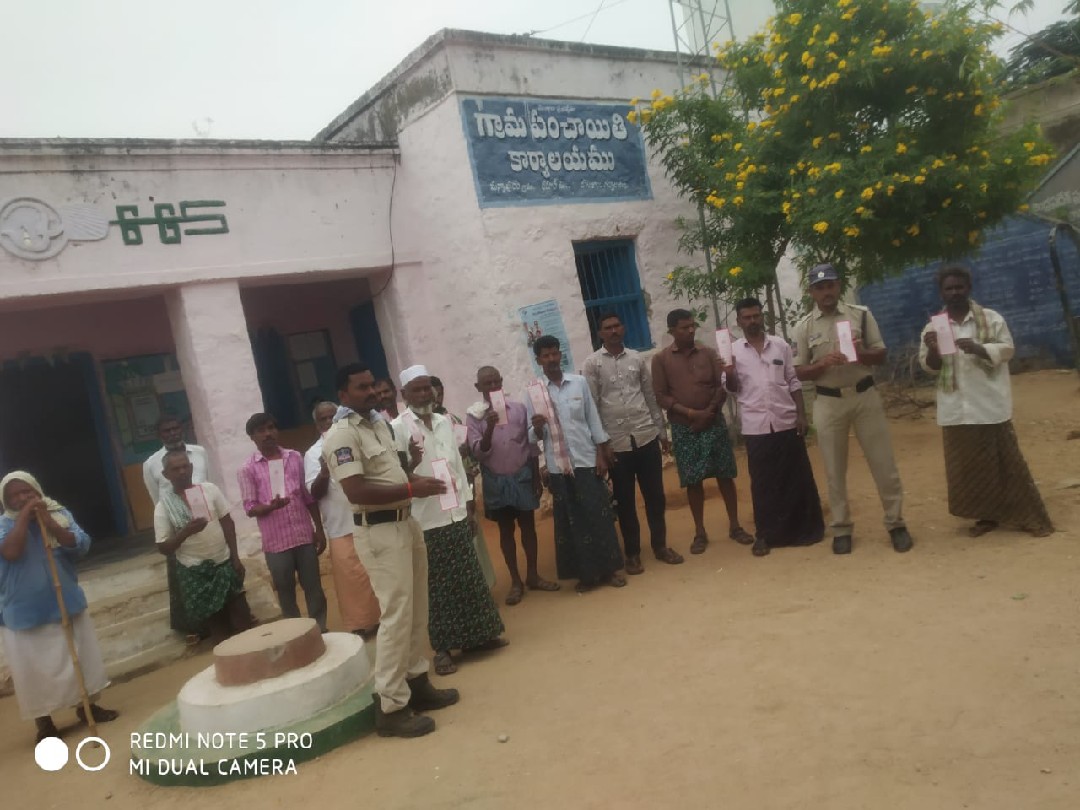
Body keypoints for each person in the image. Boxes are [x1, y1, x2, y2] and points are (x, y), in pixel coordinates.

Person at [323, 362, 458, 738]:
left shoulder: (378, 424)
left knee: (416, 608)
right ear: (343, 395)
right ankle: (390, 704)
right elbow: (356, 490)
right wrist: (413, 489)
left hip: (405, 523)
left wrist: (417, 480)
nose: (371, 392)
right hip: (379, 532)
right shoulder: (341, 435)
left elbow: (393, 473)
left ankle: (416, 682)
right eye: (361, 387)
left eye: (372, 385)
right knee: (396, 615)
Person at [919, 264, 1053, 538]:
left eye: (959, 287)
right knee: (971, 469)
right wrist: (934, 349)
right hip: (957, 408)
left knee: (1007, 464)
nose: (955, 292)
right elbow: (930, 367)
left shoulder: (991, 319)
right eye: (949, 288)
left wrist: (980, 349)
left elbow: (1008, 349)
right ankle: (987, 517)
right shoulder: (934, 327)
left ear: (968, 288)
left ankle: (1027, 516)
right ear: (941, 293)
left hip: (989, 404)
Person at [393, 366, 506, 677]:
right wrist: (412, 467)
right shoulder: (397, 429)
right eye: (417, 390)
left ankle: (477, 638)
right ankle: (442, 649)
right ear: (404, 394)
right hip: (426, 518)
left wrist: (468, 506)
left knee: (468, 578)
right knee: (436, 588)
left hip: (455, 512)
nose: (424, 394)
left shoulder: (444, 422)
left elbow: (457, 465)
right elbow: (396, 475)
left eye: (427, 388)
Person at [793, 262, 913, 555]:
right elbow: (799, 371)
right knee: (834, 470)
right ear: (811, 292)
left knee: (883, 464)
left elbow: (881, 354)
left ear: (838, 286)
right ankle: (842, 528)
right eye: (820, 287)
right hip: (828, 402)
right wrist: (822, 364)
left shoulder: (861, 315)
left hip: (864, 397)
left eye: (830, 285)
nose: (826, 292)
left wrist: (861, 354)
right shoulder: (804, 327)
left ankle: (896, 523)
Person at [0, 471, 118, 744]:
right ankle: (45, 723)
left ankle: (87, 707)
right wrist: (24, 518)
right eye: (15, 495)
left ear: (38, 491)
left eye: (27, 492)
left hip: (66, 601)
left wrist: (49, 522)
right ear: (6, 501)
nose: (23, 498)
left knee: (80, 659)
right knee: (33, 671)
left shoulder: (59, 514)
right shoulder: (4, 525)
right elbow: (10, 552)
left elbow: (80, 545)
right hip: (24, 612)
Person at [583, 312, 684, 573]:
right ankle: (633, 553)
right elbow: (592, 406)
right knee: (625, 501)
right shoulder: (592, 364)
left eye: (617, 326)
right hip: (616, 444)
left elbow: (649, 396)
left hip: (645, 436)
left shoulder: (637, 358)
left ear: (624, 328)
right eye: (608, 328)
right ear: (600, 333)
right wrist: (601, 445)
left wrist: (662, 432)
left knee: (655, 497)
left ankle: (660, 546)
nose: (613, 331)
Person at [526, 335, 626, 593]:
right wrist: (536, 427)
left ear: (560, 355)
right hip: (559, 467)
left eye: (554, 353)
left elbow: (592, 419)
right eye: (545, 355)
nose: (551, 359)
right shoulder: (535, 393)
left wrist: (601, 454)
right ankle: (586, 575)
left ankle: (610, 570)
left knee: (599, 515)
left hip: (586, 459)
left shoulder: (578, 383)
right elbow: (532, 436)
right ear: (538, 360)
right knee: (572, 522)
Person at [726, 298, 825, 557]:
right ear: (738, 322)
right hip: (756, 427)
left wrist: (801, 414)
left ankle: (804, 531)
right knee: (763, 483)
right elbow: (732, 388)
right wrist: (729, 370)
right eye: (747, 317)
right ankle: (765, 535)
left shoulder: (780, 345)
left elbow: (793, 380)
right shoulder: (733, 352)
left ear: (762, 317)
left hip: (786, 420)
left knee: (795, 478)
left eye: (756, 316)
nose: (752, 321)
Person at [652, 309, 753, 553]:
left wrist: (709, 412)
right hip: (684, 427)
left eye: (692, 326)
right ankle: (699, 532)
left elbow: (721, 385)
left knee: (725, 474)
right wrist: (690, 414)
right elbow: (661, 396)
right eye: (684, 327)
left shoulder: (708, 354)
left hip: (713, 422)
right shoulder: (661, 360)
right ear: (672, 331)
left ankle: (735, 526)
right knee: (693, 480)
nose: (690, 330)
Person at [466, 365, 560, 605]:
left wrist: (536, 476)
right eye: (487, 384)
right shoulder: (475, 417)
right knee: (506, 530)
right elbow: (479, 452)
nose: (492, 387)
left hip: (522, 476)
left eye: (496, 382)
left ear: (501, 382)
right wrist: (489, 427)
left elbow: (530, 444)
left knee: (528, 526)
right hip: (496, 480)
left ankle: (533, 575)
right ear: (478, 387)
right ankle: (516, 581)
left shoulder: (518, 409)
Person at [237, 413, 329, 631]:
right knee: (286, 591)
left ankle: (320, 630)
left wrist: (318, 529)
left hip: (303, 536)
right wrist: (271, 507)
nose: (268, 434)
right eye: (261, 431)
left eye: (271, 428)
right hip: (277, 543)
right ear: (252, 437)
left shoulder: (294, 457)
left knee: (314, 587)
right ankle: (296, 634)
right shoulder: (247, 468)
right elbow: (250, 508)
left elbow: (308, 497)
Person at [154, 451, 254, 642]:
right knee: (219, 630)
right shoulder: (163, 507)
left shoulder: (209, 490)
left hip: (224, 562)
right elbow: (163, 548)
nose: (182, 472)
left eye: (185, 466)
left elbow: (227, 523)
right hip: (195, 571)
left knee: (243, 621)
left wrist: (235, 558)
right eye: (176, 469)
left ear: (192, 468)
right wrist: (185, 532)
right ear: (166, 474)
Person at [304, 402, 380, 638]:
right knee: (351, 580)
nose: (329, 422)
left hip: (368, 517)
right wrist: (324, 472)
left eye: (332, 416)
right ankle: (359, 625)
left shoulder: (355, 438)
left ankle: (382, 620)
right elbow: (314, 493)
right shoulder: (312, 454)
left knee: (375, 573)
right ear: (317, 425)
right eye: (323, 419)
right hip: (339, 526)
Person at [141, 414, 209, 636]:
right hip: (176, 522)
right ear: (159, 435)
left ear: (182, 429)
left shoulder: (199, 452)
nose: (172, 434)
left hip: (205, 516)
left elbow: (207, 483)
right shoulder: (151, 463)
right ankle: (192, 627)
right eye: (166, 431)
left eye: (175, 428)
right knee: (182, 574)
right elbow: (156, 497)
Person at [429, 374, 497, 589]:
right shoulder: (416, 426)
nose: (436, 398)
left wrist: (469, 489)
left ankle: (483, 587)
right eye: (433, 394)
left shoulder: (453, 420)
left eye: (440, 393)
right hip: (436, 496)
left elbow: (469, 460)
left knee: (473, 538)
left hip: (461, 489)